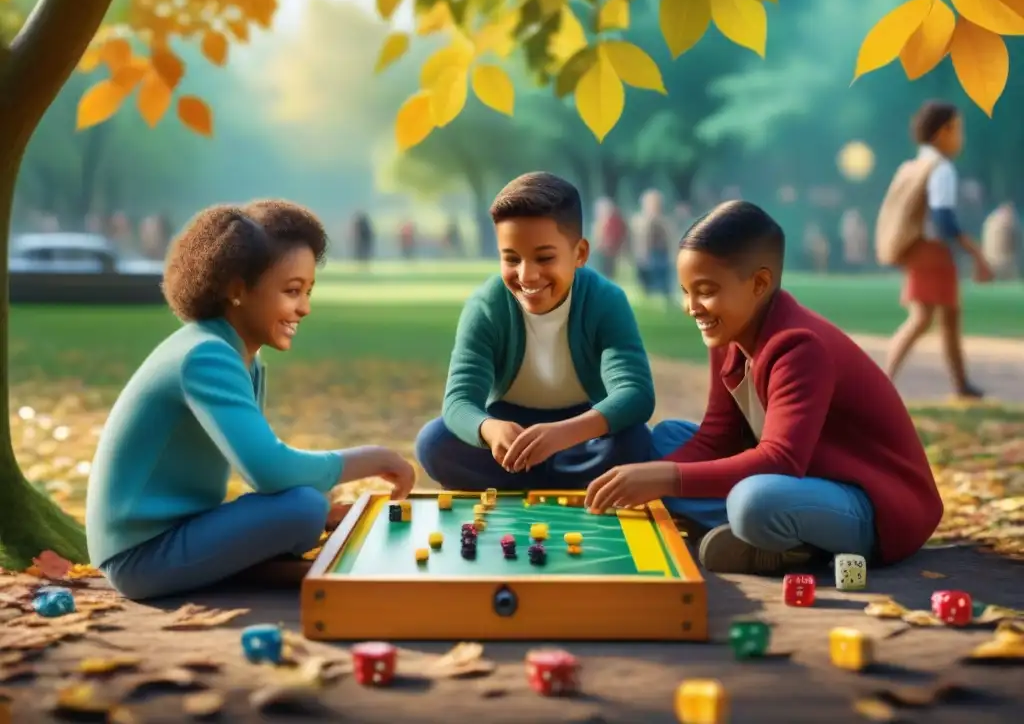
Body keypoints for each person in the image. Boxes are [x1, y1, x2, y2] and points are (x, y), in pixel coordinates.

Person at [584, 201, 943, 576]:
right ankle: (768, 536)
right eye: (686, 291)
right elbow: (717, 438)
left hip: (873, 505)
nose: (692, 308)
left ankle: (788, 542)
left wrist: (665, 478)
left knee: (752, 501)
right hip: (804, 484)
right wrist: (652, 473)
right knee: (666, 440)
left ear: (759, 284)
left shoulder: (800, 346)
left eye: (705, 291)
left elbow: (781, 460)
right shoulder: (729, 334)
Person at [85, 200, 417, 600]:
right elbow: (269, 471)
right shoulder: (206, 356)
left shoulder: (242, 357)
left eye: (308, 291)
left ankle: (268, 561)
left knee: (309, 503)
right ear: (237, 289)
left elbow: (258, 468)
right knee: (302, 507)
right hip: (137, 557)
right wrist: (372, 458)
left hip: (178, 532)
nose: (305, 308)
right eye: (292, 291)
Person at [415, 172, 656, 491]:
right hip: (509, 438)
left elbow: (635, 394)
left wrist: (564, 434)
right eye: (511, 259)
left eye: (544, 258)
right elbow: (459, 401)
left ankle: (532, 481)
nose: (527, 276)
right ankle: (561, 481)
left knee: (635, 441)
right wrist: (489, 429)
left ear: (580, 253)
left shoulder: (606, 301)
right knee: (434, 443)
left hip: (582, 436)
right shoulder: (486, 305)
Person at [882, 101, 992, 398]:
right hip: (932, 251)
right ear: (943, 132)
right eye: (958, 130)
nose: (960, 138)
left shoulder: (913, 166)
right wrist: (976, 252)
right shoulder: (940, 168)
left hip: (920, 249)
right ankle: (883, 381)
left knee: (947, 317)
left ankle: (961, 384)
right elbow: (943, 219)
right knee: (923, 318)